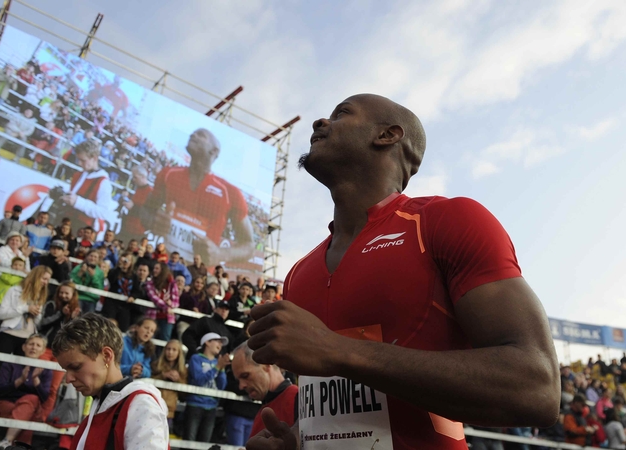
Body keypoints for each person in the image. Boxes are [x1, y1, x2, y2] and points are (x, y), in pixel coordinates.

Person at [245, 94, 559, 450]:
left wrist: (339, 350)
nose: (320, 123)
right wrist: (299, 440)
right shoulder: (299, 272)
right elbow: (350, 406)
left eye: (342, 114)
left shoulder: (446, 221)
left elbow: (538, 389)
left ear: (388, 135)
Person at [52, 313, 169, 449]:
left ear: (106, 356)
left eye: (76, 367)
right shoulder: (102, 402)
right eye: (66, 370)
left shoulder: (141, 405)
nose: (69, 378)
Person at [146, 128, 255, 264]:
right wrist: (152, 221)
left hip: (199, 277)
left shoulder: (230, 193)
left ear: (213, 151)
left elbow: (249, 245)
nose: (193, 135)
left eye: (201, 135)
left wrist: (221, 254)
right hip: (163, 267)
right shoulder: (168, 174)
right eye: (193, 133)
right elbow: (145, 210)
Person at [0, 334, 53, 449]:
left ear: (43, 350)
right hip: (5, 404)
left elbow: (45, 398)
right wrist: (20, 381)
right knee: (26, 416)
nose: (33, 347)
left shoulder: (45, 369)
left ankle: (7, 441)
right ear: (24, 347)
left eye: (38, 345)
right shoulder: (10, 363)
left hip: (31, 406)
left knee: (31, 399)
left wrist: (35, 380)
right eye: (31, 344)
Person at [230, 341, 297, 444]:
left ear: (266, 365)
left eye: (245, 376)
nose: (241, 386)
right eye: (238, 380)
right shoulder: (264, 409)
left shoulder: (297, 399)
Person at [51, 139, 116, 238]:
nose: (79, 163)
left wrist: (78, 202)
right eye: (78, 160)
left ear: (94, 158)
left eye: (83, 160)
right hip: (66, 222)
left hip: (83, 229)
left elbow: (103, 213)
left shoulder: (104, 182)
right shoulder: (77, 175)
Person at [0, 265, 52, 357]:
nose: (46, 283)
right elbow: (1, 314)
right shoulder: (13, 290)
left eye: (47, 280)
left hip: (28, 338)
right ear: (35, 277)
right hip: (8, 333)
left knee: (21, 370)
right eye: (44, 279)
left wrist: (37, 314)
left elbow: (37, 322)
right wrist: (26, 309)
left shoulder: (40, 296)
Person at [184, 332, 231, 443]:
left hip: (211, 407)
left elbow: (221, 386)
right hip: (195, 405)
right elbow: (198, 380)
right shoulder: (196, 358)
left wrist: (222, 369)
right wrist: (217, 367)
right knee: (189, 443)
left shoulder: (218, 362)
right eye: (217, 341)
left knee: (204, 443)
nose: (220, 344)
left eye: (221, 342)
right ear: (207, 342)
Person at [151, 339, 188, 433]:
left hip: (169, 412)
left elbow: (184, 395)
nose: (170, 352)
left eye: (174, 350)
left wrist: (178, 380)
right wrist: (163, 376)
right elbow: (148, 383)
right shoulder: (155, 365)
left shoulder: (183, 370)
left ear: (179, 353)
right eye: (168, 349)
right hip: (153, 408)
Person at [103, 251, 139, 332]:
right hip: (112, 303)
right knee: (107, 325)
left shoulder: (134, 276)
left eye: (128, 260)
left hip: (125, 306)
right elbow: (111, 279)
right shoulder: (114, 271)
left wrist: (133, 296)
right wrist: (119, 267)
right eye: (125, 259)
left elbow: (137, 290)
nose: (126, 261)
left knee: (123, 328)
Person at [144, 262, 179, 341]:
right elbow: (154, 298)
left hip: (167, 318)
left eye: (157, 268)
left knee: (164, 339)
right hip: (152, 316)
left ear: (163, 270)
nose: (154, 270)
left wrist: (171, 303)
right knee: (150, 340)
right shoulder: (150, 283)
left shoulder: (172, 284)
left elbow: (176, 302)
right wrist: (166, 307)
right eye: (154, 268)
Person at [70, 249, 105, 314]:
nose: (93, 258)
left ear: (98, 259)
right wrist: (80, 273)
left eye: (95, 257)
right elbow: (72, 283)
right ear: (87, 257)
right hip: (78, 297)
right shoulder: (78, 267)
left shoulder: (100, 272)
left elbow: (99, 288)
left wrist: (93, 276)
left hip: (91, 299)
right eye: (91, 256)